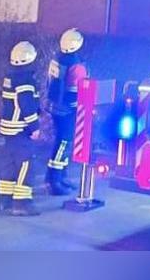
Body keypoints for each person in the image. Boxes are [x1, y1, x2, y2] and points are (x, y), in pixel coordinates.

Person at [0, 41, 42, 216]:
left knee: (9, 164)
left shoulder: (10, 77)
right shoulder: (26, 80)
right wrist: (35, 127)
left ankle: (5, 200)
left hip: (8, 128)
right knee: (25, 163)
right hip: (20, 129)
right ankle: (22, 203)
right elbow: (27, 105)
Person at [45, 28, 88, 195]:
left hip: (57, 107)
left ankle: (61, 176)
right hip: (68, 109)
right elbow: (78, 87)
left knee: (63, 142)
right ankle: (54, 180)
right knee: (63, 143)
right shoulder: (75, 64)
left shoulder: (58, 60)